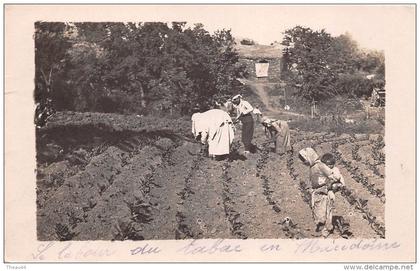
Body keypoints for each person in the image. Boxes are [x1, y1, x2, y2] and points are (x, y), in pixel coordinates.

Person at [298, 147, 338, 238]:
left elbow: (332, 175)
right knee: (317, 209)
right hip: (317, 191)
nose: (304, 163)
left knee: (325, 210)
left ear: (310, 157)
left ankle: (327, 229)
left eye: (305, 160)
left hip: (324, 191)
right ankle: (321, 225)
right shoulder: (313, 166)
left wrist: (329, 184)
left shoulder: (320, 165)